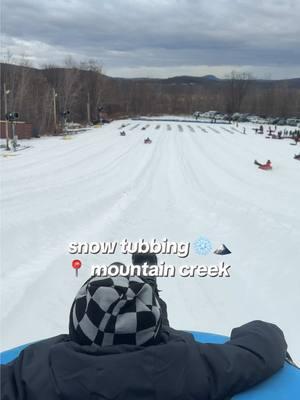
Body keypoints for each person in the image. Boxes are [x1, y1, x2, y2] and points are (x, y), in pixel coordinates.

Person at [1, 258, 288, 400]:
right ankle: (147, 293)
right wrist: (261, 329)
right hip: (159, 355)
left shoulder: (37, 368)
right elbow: (260, 347)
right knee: (163, 333)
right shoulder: (189, 366)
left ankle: (144, 290)